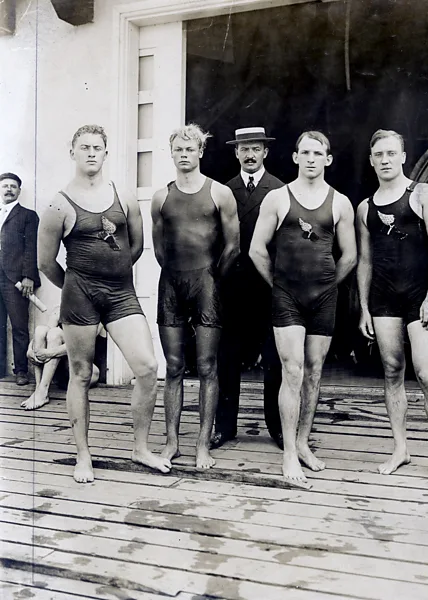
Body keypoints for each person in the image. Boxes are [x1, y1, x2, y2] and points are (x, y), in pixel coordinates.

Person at [38, 124, 170, 483]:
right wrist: (76, 289)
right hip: (80, 296)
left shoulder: (123, 196)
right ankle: (83, 455)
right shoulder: (58, 204)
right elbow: (45, 262)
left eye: (98, 147)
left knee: (146, 368)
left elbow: (137, 244)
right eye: (84, 147)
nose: (91, 153)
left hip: (121, 294)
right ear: (73, 152)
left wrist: (112, 279)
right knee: (81, 374)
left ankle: (140, 447)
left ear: (106, 153)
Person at [250, 131, 357, 484]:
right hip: (287, 296)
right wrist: (279, 285)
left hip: (324, 297)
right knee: (292, 370)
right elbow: (256, 249)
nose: (311, 158)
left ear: (328, 159)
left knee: (313, 371)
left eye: (318, 153)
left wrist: (327, 285)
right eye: (305, 152)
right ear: (295, 157)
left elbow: (351, 255)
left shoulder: (340, 202)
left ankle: (302, 443)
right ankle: (289, 455)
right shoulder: (278, 199)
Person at [356, 129, 428, 484]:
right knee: (392, 371)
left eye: (391, 153)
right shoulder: (365, 207)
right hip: (383, 299)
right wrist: (364, 307)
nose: (384, 160)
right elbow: (364, 261)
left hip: (419, 297)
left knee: (426, 372)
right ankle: (401, 449)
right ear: (371, 160)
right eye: (378, 154)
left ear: (402, 156)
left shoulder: (423, 194)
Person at [151, 123, 239, 470]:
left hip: (207, 283)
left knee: (206, 366)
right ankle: (172, 441)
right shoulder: (161, 197)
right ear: (171, 154)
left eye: (190, 149)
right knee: (173, 366)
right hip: (172, 283)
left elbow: (233, 245)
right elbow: (159, 249)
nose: (184, 155)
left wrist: (211, 277)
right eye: (178, 150)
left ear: (201, 152)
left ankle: (203, 444)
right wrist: (177, 273)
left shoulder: (219, 193)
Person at [212, 127, 283, 450]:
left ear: (265, 152)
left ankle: (278, 427)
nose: (250, 155)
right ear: (236, 153)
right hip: (232, 289)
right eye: (244, 149)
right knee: (227, 358)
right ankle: (224, 426)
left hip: (268, 287)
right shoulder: (223, 192)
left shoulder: (280, 191)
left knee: (274, 358)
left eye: (255, 148)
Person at [0, 172, 40, 386]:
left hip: (15, 279)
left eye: (13, 186)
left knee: (19, 326)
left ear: (19, 191)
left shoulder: (27, 215)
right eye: (5, 186)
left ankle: (22, 371)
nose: (8, 189)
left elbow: (31, 247)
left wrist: (28, 276)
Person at [22, 306, 101, 411]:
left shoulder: (96, 314)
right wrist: (30, 351)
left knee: (56, 334)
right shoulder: (60, 309)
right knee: (40, 330)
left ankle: (42, 391)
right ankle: (39, 390)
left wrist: (49, 353)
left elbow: (80, 345)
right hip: (60, 375)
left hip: (85, 373)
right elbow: (42, 334)